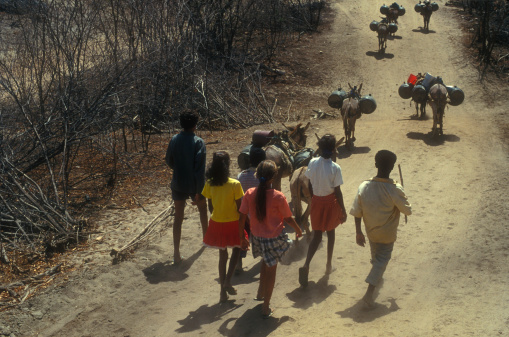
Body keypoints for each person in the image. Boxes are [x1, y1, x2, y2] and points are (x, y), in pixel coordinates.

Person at [239, 160, 303, 318]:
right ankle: (266, 306)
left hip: (257, 237)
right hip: (273, 238)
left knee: (265, 261)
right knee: (272, 269)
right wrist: (298, 229)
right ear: (273, 178)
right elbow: (288, 219)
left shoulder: (249, 194)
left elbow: (241, 216)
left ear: (257, 175)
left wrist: (242, 236)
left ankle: (261, 293)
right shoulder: (278, 196)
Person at [350, 150, 412, 308]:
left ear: (375, 164)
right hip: (387, 234)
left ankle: (377, 278)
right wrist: (402, 193)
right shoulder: (395, 189)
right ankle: (369, 294)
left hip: (370, 232)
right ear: (392, 167)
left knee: (376, 258)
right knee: (382, 261)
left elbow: (357, 211)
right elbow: (407, 211)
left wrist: (358, 232)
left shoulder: (364, 186)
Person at [298, 134, 347, 287]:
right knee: (331, 233)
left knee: (317, 235)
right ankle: (328, 265)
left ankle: (306, 265)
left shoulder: (312, 162)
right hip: (330, 202)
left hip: (316, 202)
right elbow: (337, 192)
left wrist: (313, 198)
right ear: (333, 149)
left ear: (319, 147)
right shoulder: (335, 167)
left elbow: (309, 183)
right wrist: (343, 210)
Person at [202, 151, 246, 303]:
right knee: (237, 249)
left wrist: (217, 216)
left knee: (222, 256)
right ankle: (228, 281)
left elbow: (210, 205)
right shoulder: (235, 184)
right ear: (228, 165)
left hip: (217, 222)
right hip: (233, 222)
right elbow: (241, 208)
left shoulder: (209, 183)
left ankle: (222, 293)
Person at [165, 110, 208, 264]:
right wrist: (199, 192)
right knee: (203, 209)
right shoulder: (198, 142)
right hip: (194, 184)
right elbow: (199, 170)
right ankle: (206, 240)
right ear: (195, 125)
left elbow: (168, 160)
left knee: (178, 217)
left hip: (177, 183)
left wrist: (179, 169)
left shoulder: (175, 139)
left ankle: (176, 254)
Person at [236, 146, 266, 273]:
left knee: (243, 237)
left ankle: (238, 264)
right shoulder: (262, 178)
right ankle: (265, 257)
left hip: (244, 214)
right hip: (258, 214)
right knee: (263, 236)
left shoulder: (241, 176)